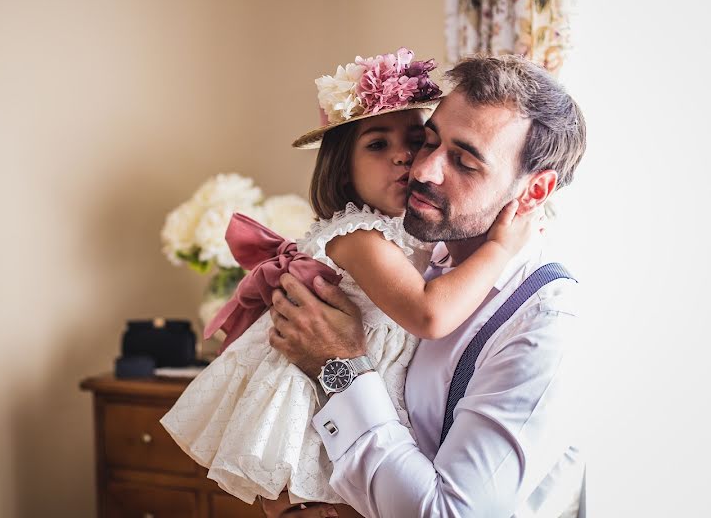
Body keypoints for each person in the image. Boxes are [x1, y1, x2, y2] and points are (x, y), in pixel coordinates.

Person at [160, 49, 536, 506]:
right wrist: (499, 248)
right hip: (318, 409)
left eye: (415, 140)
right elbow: (429, 314)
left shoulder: (404, 234)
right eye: (378, 145)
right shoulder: (358, 234)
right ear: (342, 166)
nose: (405, 158)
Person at [263, 54, 588, 517]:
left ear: (534, 192)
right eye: (429, 141)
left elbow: (448, 513)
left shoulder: (543, 324)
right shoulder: (416, 259)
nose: (421, 170)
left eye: (464, 161)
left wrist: (339, 366)